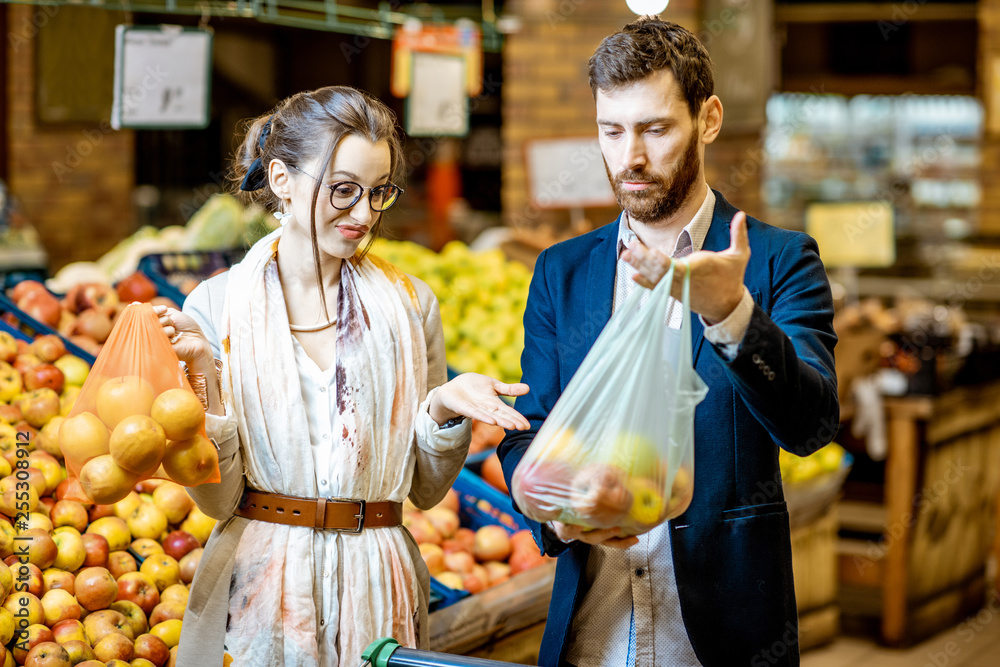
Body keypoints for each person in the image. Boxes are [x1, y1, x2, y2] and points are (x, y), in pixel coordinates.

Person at [498, 17, 839, 667]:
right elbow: (526, 433)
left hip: (723, 642)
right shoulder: (561, 271)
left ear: (707, 119)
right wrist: (555, 513)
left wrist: (731, 313)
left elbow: (812, 423)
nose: (629, 156)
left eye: (655, 129)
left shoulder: (776, 261)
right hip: (591, 637)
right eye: (611, 130)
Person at [156, 86, 530, 667]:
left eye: (379, 192)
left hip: (378, 585)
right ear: (281, 178)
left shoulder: (411, 306)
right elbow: (217, 498)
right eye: (343, 191)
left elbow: (426, 491)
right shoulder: (218, 307)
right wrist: (202, 371)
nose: (364, 215)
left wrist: (442, 411)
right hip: (259, 591)